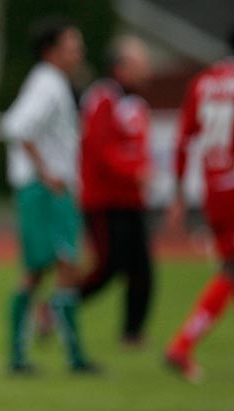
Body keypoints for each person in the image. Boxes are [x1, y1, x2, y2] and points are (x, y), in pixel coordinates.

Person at [2, 17, 96, 373]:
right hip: (43, 192)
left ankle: (46, 354)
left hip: (45, 189)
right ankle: (54, 356)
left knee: (52, 269)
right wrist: (47, 174)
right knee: (55, 267)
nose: (79, 52)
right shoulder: (48, 83)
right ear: (51, 51)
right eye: (72, 45)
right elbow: (18, 127)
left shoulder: (51, 82)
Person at [164, 32, 234, 382]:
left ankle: (182, 344)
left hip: (215, 191)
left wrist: (178, 193)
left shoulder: (203, 83)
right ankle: (181, 344)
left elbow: (183, 139)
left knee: (230, 271)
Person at [79, 36, 153, 346]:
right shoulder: (103, 98)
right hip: (104, 200)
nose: (145, 69)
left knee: (142, 269)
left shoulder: (135, 103)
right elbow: (101, 148)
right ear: (120, 67)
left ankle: (132, 333)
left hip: (131, 200)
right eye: (138, 63)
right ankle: (56, 308)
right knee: (109, 266)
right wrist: (134, 172)